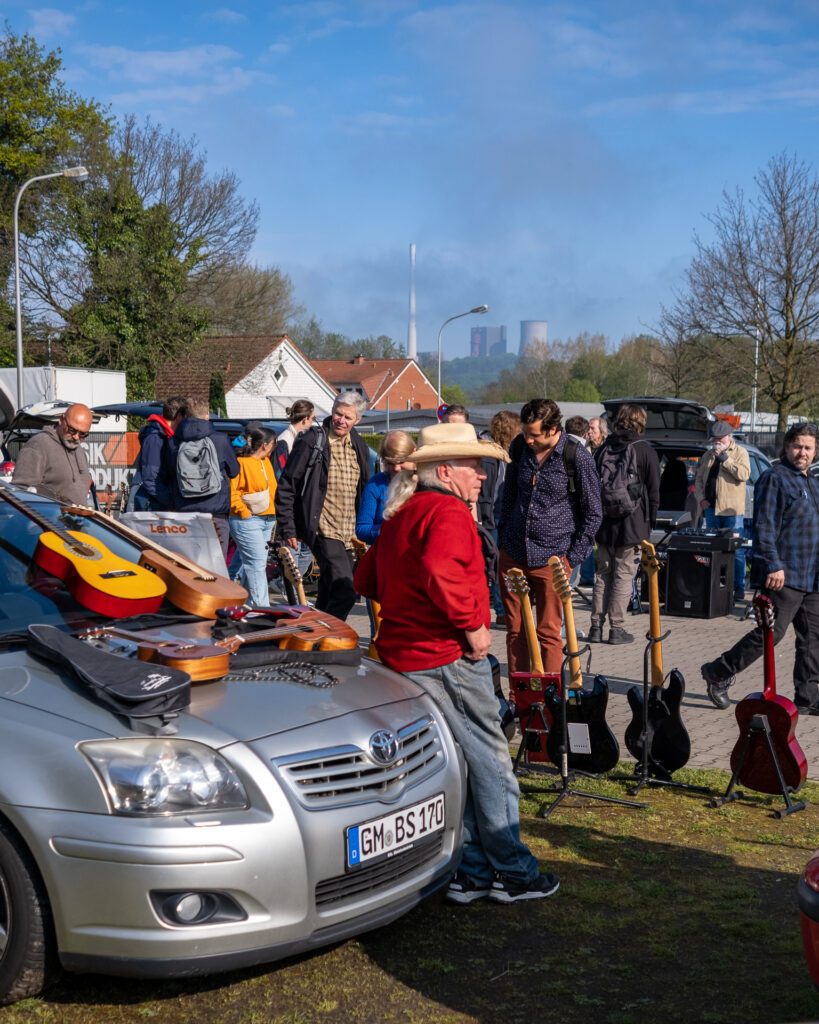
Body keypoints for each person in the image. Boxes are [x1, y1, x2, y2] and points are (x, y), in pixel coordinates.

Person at [353, 421, 559, 904]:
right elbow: (438, 569)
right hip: (446, 654)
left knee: (457, 762)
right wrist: (471, 626)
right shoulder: (446, 512)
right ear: (445, 470)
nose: (483, 476)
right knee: (489, 759)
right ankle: (512, 871)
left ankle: (472, 872)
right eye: (475, 466)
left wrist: (409, 600)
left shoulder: (403, 512)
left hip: (406, 655)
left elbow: (366, 579)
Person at [701, 423, 819, 713]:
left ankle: (807, 697)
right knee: (770, 635)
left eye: (808, 447)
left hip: (812, 576)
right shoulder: (775, 478)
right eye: (797, 446)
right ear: (787, 446)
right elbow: (765, 526)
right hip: (784, 575)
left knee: (812, 639)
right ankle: (718, 672)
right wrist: (773, 565)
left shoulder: (812, 483)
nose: (802, 452)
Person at [497, 398, 602, 675]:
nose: (528, 439)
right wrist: (502, 538)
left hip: (552, 559)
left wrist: (571, 560)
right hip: (513, 551)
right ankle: (519, 698)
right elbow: (508, 495)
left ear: (553, 429)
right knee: (516, 631)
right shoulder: (519, 446)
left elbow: (593, 514)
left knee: (548, 633)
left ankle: (549, 700)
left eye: (534, 434)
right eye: (525, 433)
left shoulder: (576, 456)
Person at [275, 391, 371, 621]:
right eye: (338, 414)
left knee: (329, 590)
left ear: (357, 420)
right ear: (332, 410)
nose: (341, 420)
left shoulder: (359, 445)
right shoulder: (312, 441)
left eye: (348, 417)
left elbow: (365, 489)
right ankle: (328, 637)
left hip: (350, 533)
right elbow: (287, 485)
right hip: (323, 529)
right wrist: (288, 528)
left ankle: (312, 635)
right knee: (347, 590)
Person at [587, 404, 660, 645]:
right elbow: (653, 493)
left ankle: (595, 627)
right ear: (640, 422)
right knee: (624, 575)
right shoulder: (644, 450)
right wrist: (649, 526)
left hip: (605, 524)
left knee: (603, 574)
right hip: (632, 524)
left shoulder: (603, 448)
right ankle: (616, 629)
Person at [163, 396, 240, 560]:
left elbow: (169, 474)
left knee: (190, 566)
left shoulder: (172, 443)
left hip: (184, 514)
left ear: (185, 415)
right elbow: (234, 471)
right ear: (207, 415)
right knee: (217, 565)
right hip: (216, 514)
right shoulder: (220, 439)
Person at [693, 421, 751, 601]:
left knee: (737, 551)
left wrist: (726, 459)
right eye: (714, 439)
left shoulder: (741, 453)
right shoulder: (707, 455)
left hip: (732, 512)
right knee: (713, 549)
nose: (716, 442)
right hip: (711, 510)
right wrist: (701, 499)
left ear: (729, 437)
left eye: (720, 439)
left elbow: (743, 475)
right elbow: (699, 480)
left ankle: (738, 587)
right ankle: (715, 586)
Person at [228, 424, 278, 608]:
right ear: (265, 445)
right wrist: (244, 512)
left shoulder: (265, 462)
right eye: (273, 444)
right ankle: (262, 608)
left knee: (256, 563)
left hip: (267, 519)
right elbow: (232, 491)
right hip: (248, 520)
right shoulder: (241, 463)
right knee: (256, 564)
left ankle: (249, 606)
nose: (274, 447)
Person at [13, 403, 93, 506]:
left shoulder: (80, 451)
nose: (76, 437)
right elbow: (20, 492)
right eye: (72, 430)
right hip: (47, 521)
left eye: (83, 434)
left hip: (78, 521)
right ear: (61, 420)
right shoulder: (38, 445)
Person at [488, 410, 522, 625]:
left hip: (496, 513)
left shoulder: (497, 452)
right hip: (497, 515)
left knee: (498, 565)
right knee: (501, 565)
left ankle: (503, 609)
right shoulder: (504, 454)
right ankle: (503, 610)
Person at [355, 430, 416, 545]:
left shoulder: (425, 482)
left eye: (402, 461)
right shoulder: (376, 484)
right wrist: (389, 529)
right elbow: (362, 529)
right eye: (390, 463)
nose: (396, 468)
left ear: (414, 454)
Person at [128, 395, 188, 511]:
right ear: (179, 416)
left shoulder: (165, 436)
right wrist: (171, 502)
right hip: (147, 503)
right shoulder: (155, 438)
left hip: (154, 501)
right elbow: (151, 479)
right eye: (185, 416)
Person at [273, 400, 315, 480]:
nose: (313, 421)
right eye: (313, 418)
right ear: (305, 419)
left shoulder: (299, 437)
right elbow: (279, 474)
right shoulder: (283, 441)